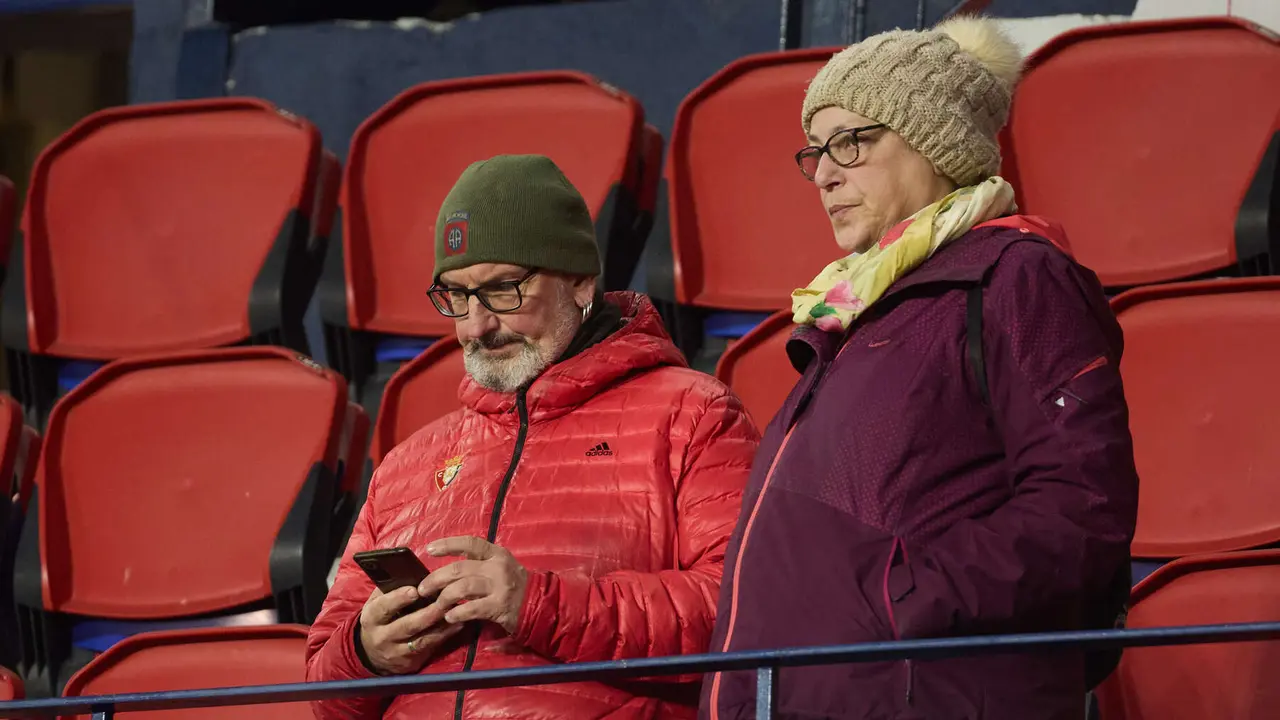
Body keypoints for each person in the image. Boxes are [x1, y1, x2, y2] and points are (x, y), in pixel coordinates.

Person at [702, 16, 1139, 720]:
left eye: (854, 140)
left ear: (939, 145)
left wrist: (897, 598)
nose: (827, 174)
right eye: (816, 151)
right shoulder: (854, 309)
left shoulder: (1015, 276)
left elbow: (1079, 513)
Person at [307, 154, 759, 719]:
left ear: (579, 280)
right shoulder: (406, 465)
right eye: (455, 296)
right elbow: (322, 690)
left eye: (503, 290)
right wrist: (365, 655)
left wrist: (539, 605)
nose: (475, 325)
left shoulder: (693, 414)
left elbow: (745, 611)